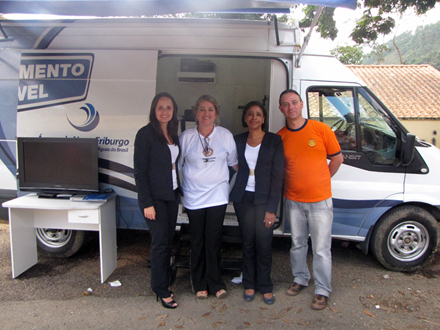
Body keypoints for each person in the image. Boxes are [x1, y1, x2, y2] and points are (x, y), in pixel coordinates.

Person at [277, 89, 343, 310]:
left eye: (294, 102)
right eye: (286, 104)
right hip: (293, 201)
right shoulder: (280, 137)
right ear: (281, 109)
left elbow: (337, 159)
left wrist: (322, 180)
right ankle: (300, 278)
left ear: (302, 104)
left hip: (320, 201)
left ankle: (322, 289)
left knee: (321, 248)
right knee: (297, 244)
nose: (291, 107)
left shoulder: (321, 129)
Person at [179, 95, 238, 299]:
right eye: (202, 109)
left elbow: (234, 164)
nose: (206, 113)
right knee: (197, 241)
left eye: (210, 109)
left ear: (216, 113)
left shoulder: (225, 135)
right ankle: (199, 283)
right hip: (194, 197)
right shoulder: (186, 137)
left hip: (217, 197)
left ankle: (215, 282)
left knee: (213, 241)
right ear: (196, 113)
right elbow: (176, 166)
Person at [230, 101, 284, 305]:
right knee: (248, 242)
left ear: (263, 118)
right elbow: (230, 163)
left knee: (264, 242)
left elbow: (278, 176)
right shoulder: (238, 140)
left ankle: (265, 286)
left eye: (258, 114)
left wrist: (272, 209)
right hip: (243, 198)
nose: (254, 117)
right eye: (250, 114)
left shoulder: (274, 141)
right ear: (245, 118)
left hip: (264, 199)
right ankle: (249, 284)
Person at [134, 92, 182, 309]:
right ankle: (161, 289)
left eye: (169, 108)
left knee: (167, 241)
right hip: (154, 199)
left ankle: (163, 282)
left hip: (171, 195)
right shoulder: (145, 134)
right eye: (160, 107)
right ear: (154, 110)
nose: (165, 111)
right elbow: (140, 172)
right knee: (160, 244)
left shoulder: (173, 133)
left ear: (174, 111)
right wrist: (147, 203)